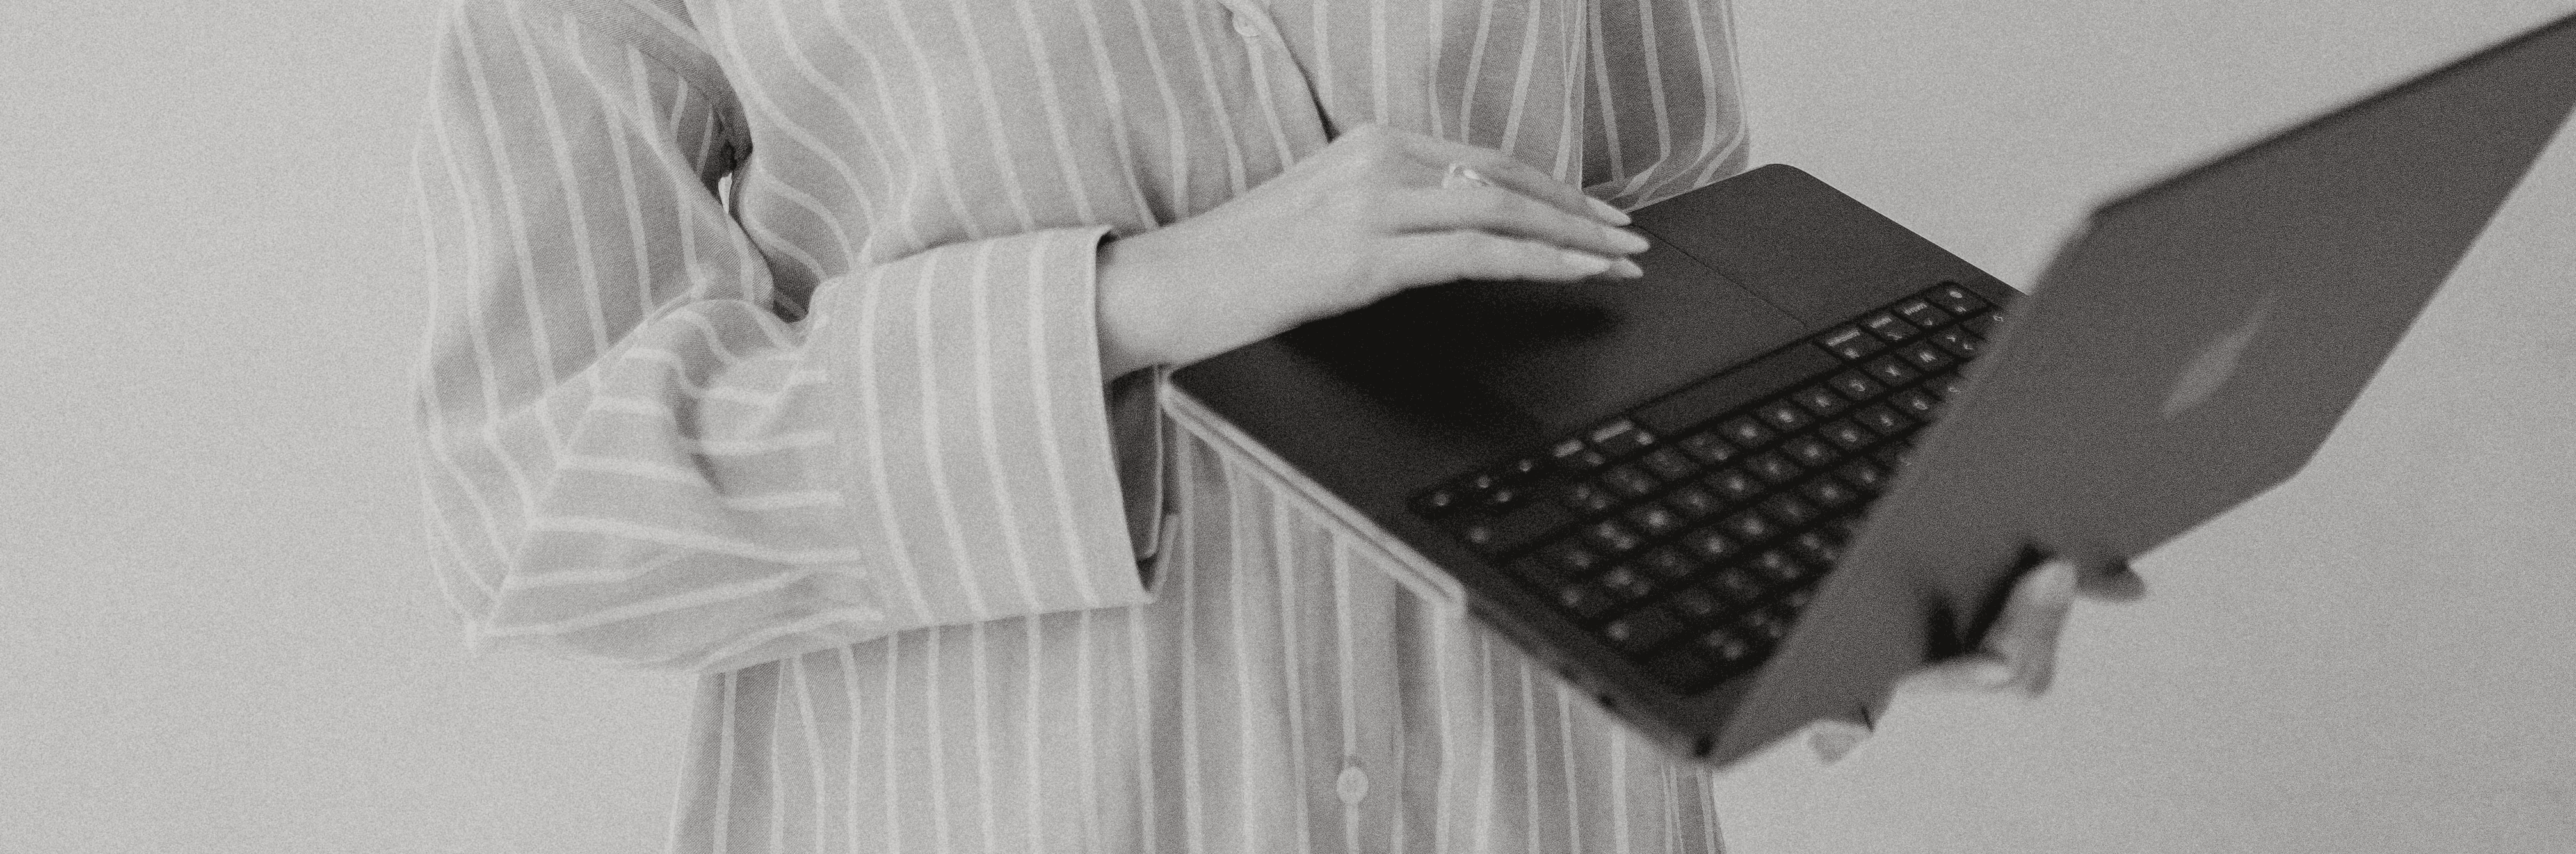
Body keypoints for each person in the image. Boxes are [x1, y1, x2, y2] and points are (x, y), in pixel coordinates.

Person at [411, 0, 2137, 850]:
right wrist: (1138, 297)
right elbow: (546, 490)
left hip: (1528, 804)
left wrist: (1847, 552)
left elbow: (1663, 222)